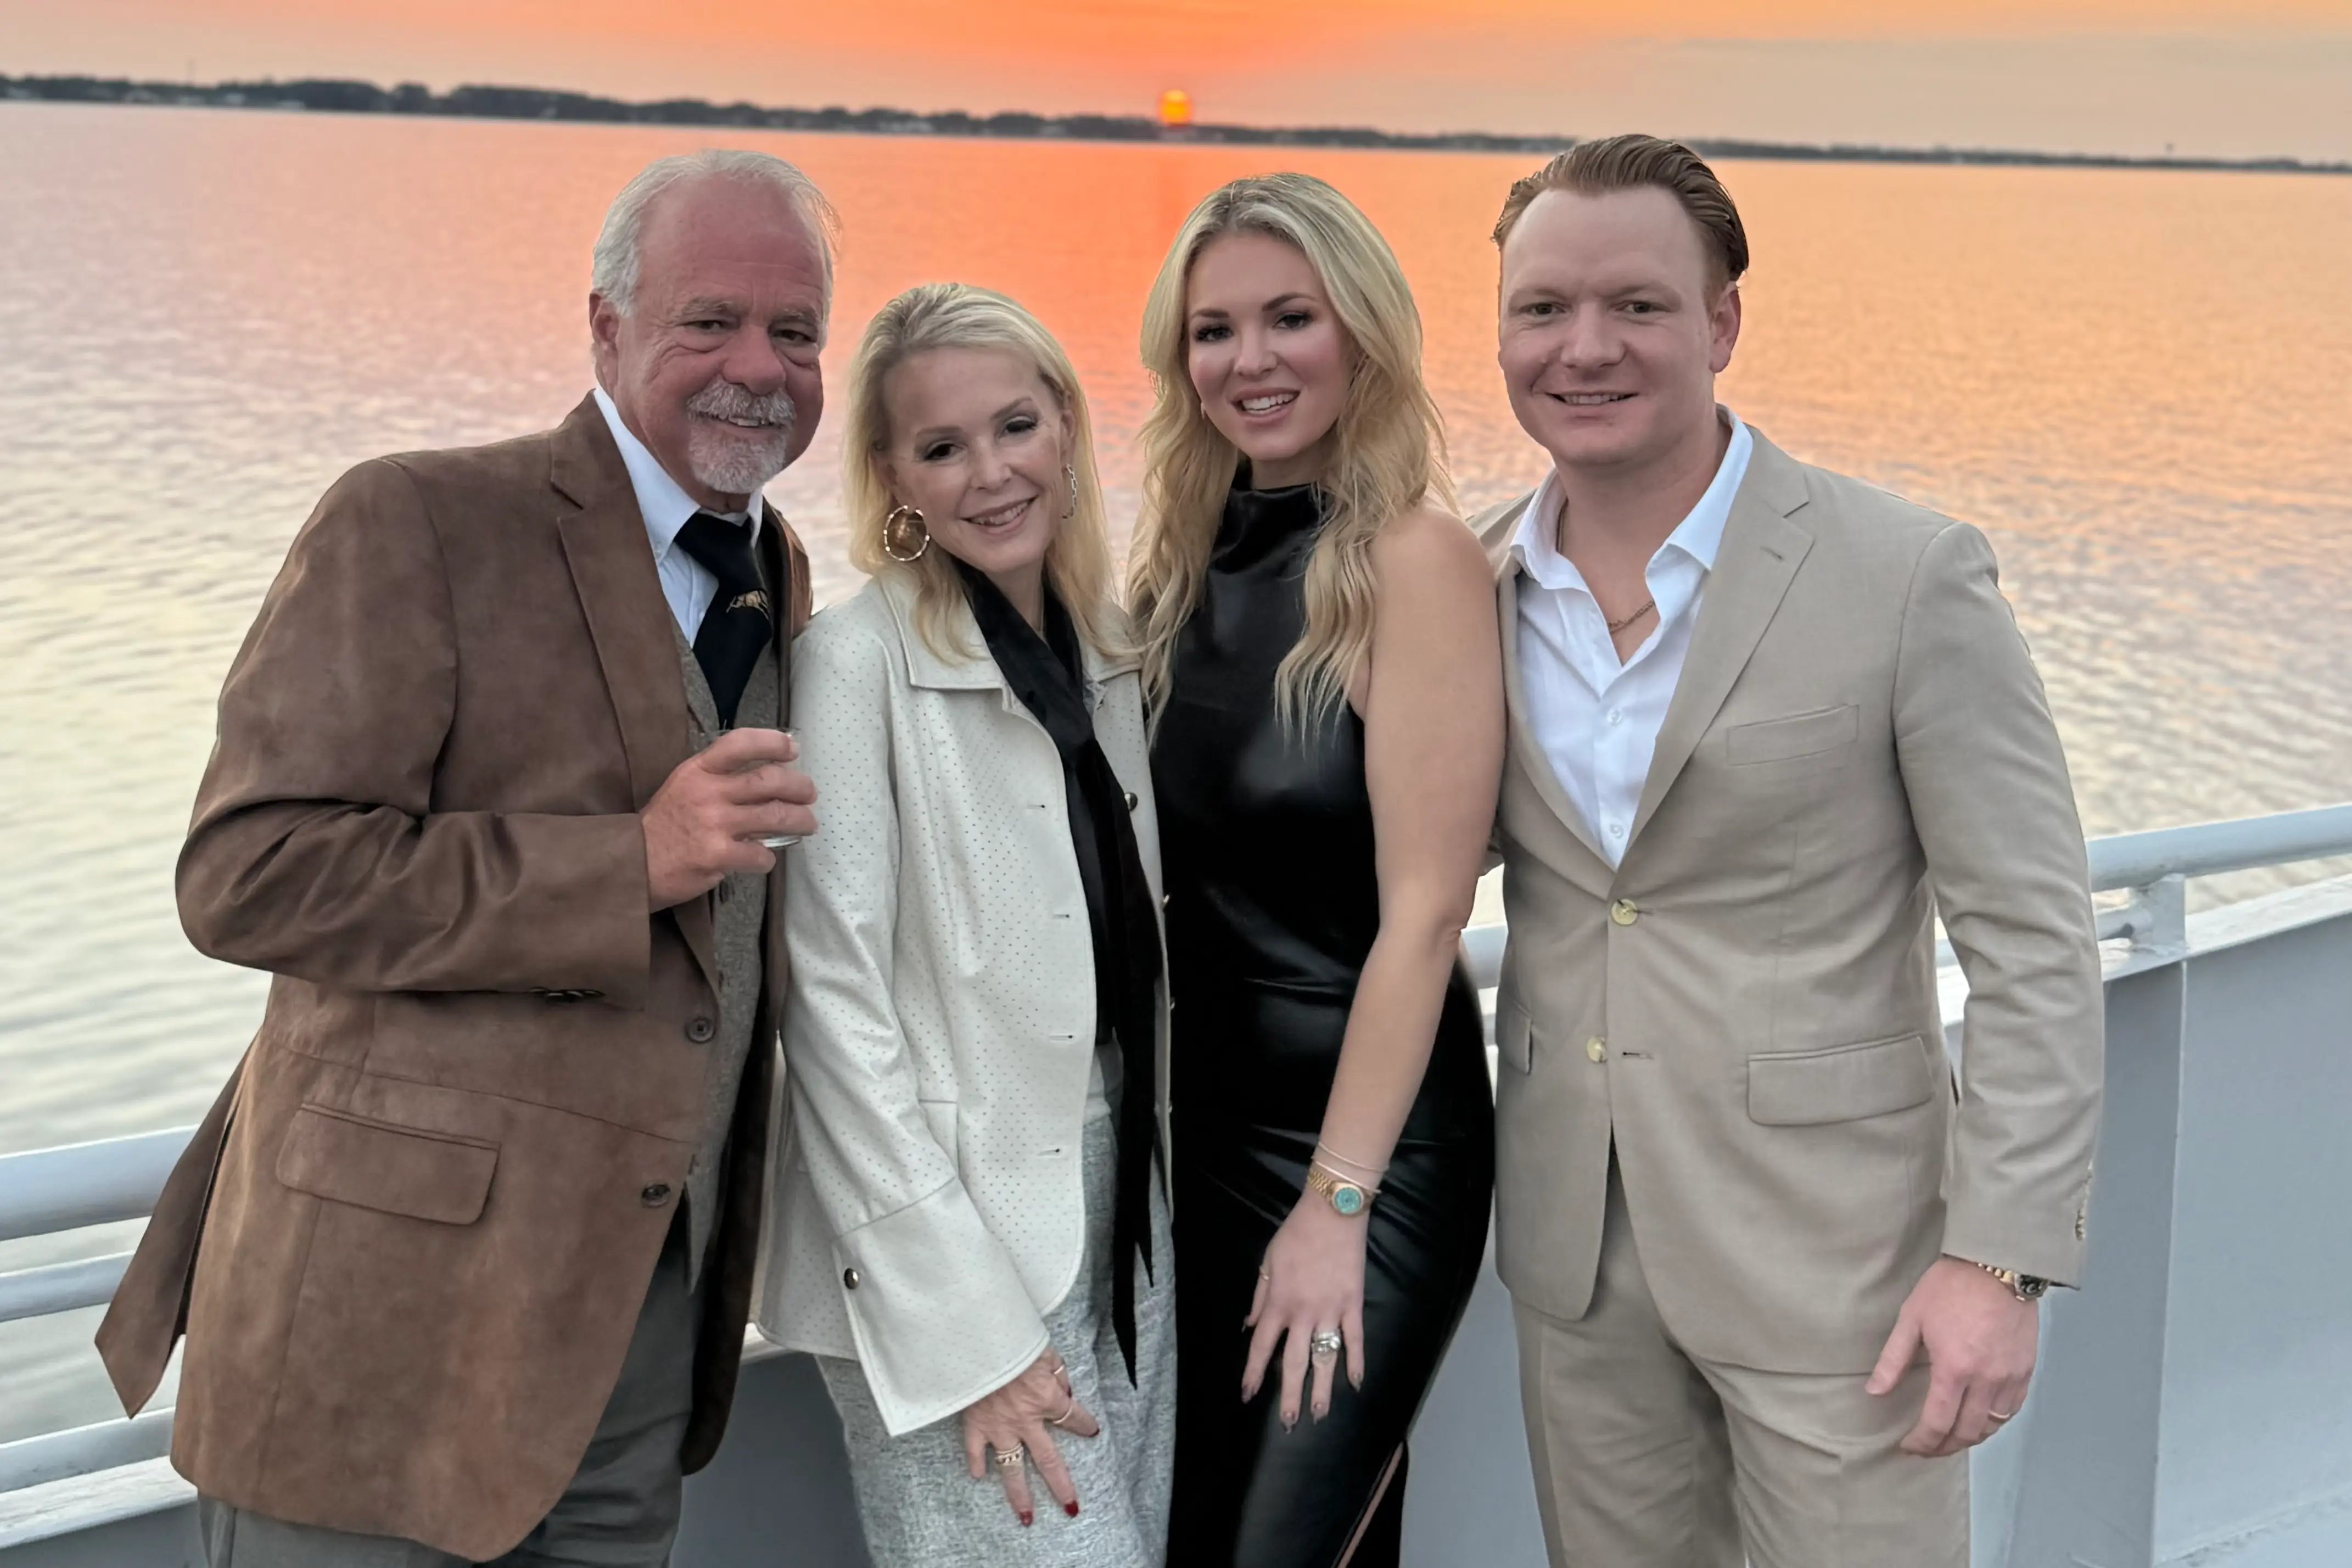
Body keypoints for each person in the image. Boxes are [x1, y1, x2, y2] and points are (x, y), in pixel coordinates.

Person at [93, 148, 835, 1565]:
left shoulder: (776, 570)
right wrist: (626, 862)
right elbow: (253, 872)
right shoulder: (418, 517)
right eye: (708, 320)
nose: (758, 366)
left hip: (635, 1339)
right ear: (607, 327)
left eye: (794, 332)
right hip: (375, 1342)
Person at [1475, 134, 2105, 1567]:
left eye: (1635, 304)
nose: (1584, 349)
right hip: (1575, 1255)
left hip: (1844, 1271)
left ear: (1721, 322)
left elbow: (2031, 941)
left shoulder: (1904, 575)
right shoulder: (1469, 581)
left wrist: (1997, 1260)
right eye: (1541, 310)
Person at [758, 282, 1174, 1567]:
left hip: (1130, 1218)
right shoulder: (854, 663)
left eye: (1015, 426)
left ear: (1067, 426)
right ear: (894, 476)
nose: (990, 474)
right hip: (952, 1236)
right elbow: (831, 1013)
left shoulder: (1114, 642)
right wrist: (972, 1341)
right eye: (942, 448)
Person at [1131, 173, 1503, 1568]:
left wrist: (1334, 1208)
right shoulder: (1174, 564)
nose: (1251, 360)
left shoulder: (1416, 562)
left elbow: (1427, 917)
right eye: (1214, 329)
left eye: (1292, 317)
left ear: (1362, 332)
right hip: (1198, 1146)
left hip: (1372, 1156)